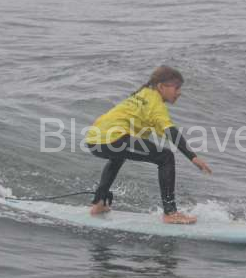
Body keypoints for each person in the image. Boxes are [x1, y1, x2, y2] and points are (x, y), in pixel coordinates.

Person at [84, 66, 213, 224]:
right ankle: (170, 213)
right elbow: (171, 131)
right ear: (161, 86)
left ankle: (99, 203)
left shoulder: (143, 94)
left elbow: (163, 131)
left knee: (118, 157)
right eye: (176, 88)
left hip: (94, 139)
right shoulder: (155, 102)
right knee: (165, 157)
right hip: (113, 138)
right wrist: (193, 157)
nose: (179, 92)